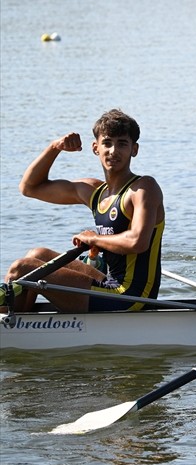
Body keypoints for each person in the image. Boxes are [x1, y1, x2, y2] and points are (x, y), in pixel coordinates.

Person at [2, 109, 165, 313]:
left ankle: (11, 325)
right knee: (38, 254)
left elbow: (137, 242)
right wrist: (55, 147)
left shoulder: (143, 188)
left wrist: (94, 239)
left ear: (134, 149)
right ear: (96, 148)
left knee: (22, 268)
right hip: (110, 283)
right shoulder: (95, 192)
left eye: (122, 143)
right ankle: (20, 321)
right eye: (107, 143)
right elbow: (29, 188)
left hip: (131, 297)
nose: (113, 150)